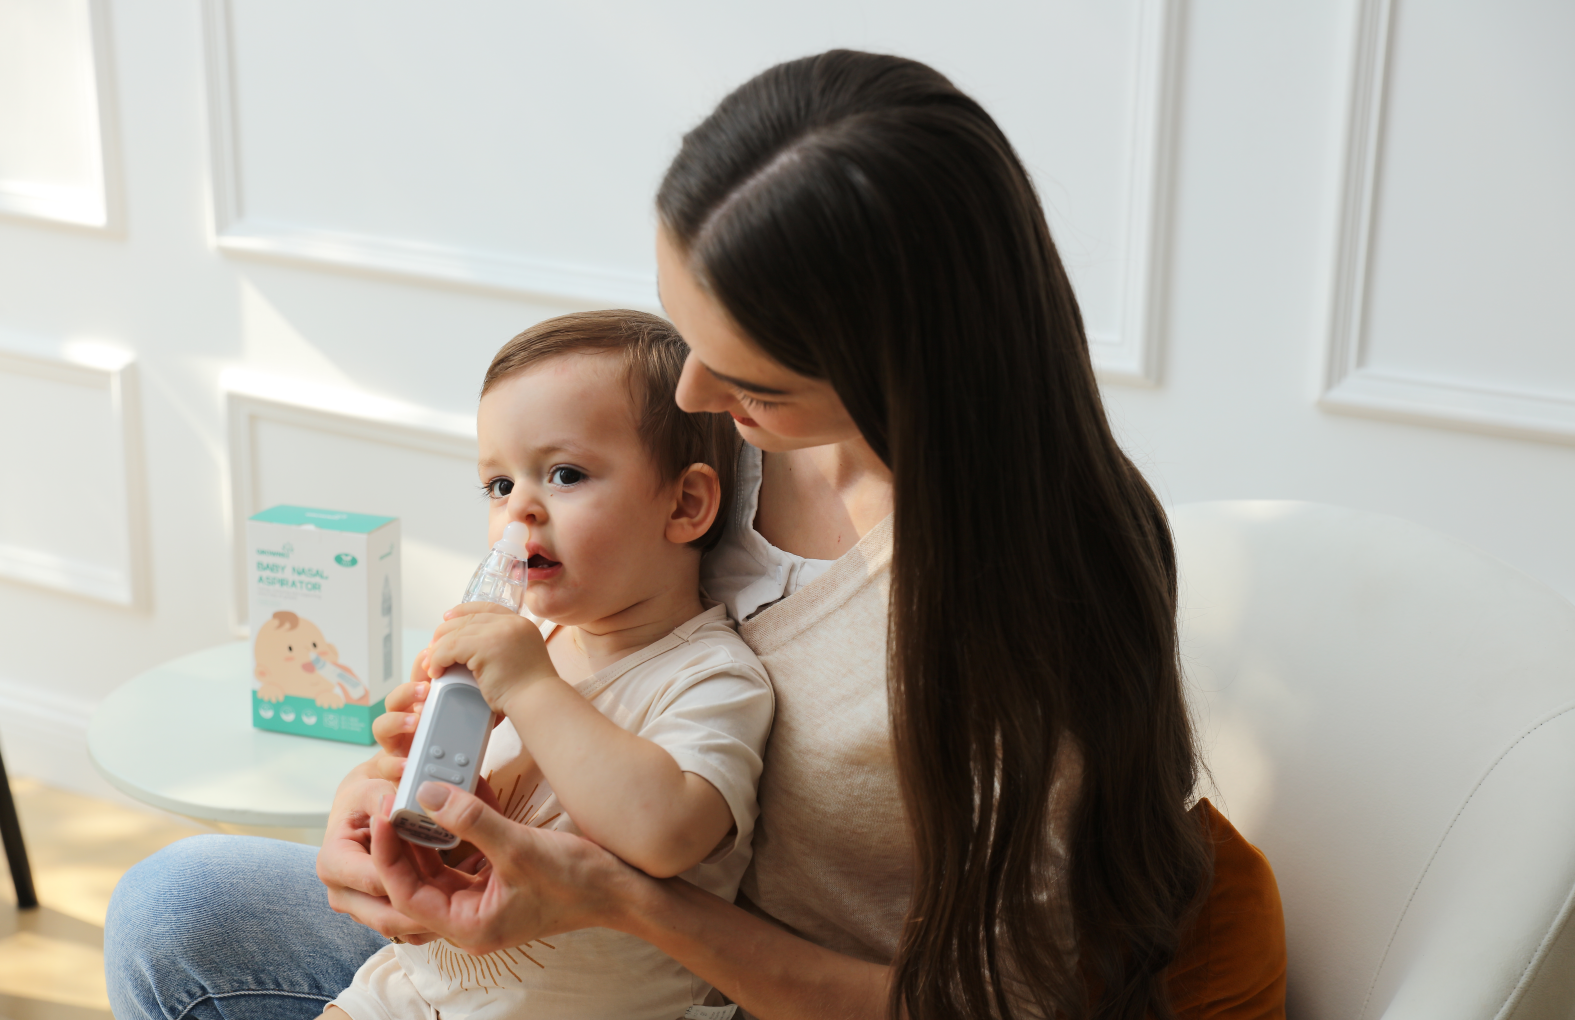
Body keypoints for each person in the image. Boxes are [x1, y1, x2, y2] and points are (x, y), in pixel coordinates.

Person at [108, 50, 1286, 1020]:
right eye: (688, 334)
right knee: (173, 904)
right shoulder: (714, 443)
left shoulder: (1027, 613)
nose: (691, 401)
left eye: (751, 378)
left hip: (720, 990)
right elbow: (544, 657)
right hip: (547, 944)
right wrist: (384, 795)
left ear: (900, 368)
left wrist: (621, 900)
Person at [326, 309, 772, 1020]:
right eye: (498, 486)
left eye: (564, 474)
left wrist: (530, 685)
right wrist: (402, 779)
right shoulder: (526, 637)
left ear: (684, 504)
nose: (518, 513)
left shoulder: (709, 677)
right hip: (417, 989)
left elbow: (665, 833)